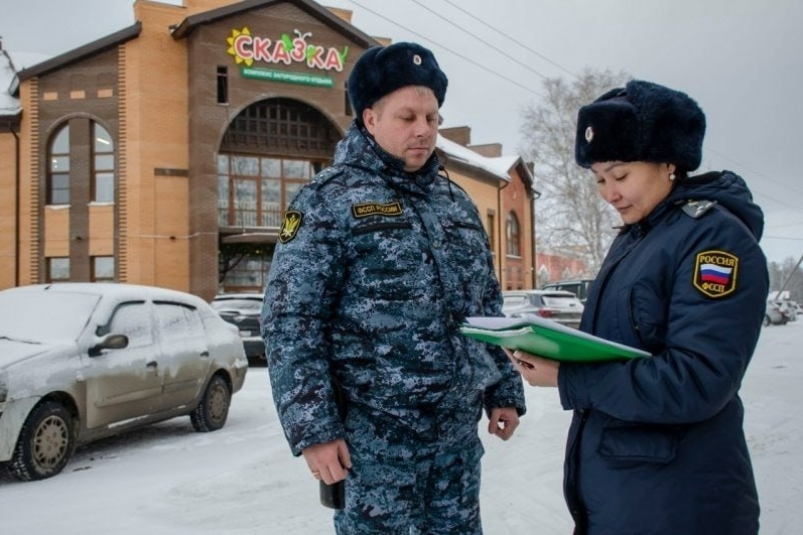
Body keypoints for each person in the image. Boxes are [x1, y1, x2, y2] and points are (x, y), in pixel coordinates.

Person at [262, 41, 526, 534]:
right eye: (407, 117)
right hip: (374, 449)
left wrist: (502, 389)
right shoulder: (326, 201)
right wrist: (315, 431)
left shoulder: (457, 205)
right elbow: (291, 321)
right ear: (369, 118)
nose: (424, 130)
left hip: (456, 446)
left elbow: (486, 305)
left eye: (432, 117)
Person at [509, 80, 768, 534]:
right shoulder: (637, 238)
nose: (609, 193)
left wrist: (570, 378)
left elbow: (698, 380)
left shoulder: (714, 240)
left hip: (680, 506)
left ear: (669, 161)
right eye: (600, 180)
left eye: (621, 174)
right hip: (627, 500)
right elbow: (617, 349)